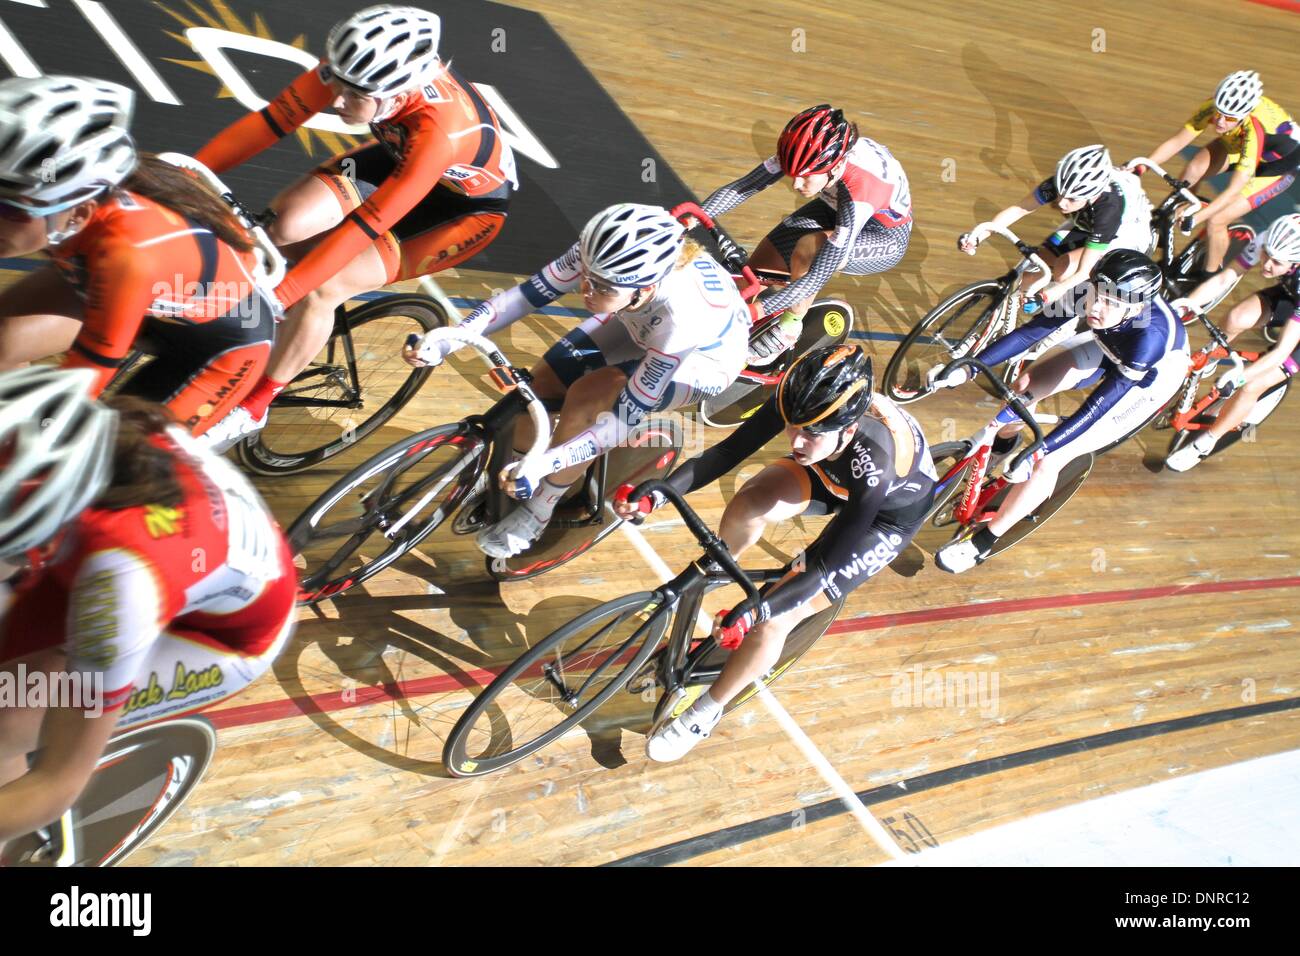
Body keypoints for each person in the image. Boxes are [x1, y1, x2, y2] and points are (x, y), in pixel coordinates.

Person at [0, 367, 297, 853]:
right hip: (175, 563)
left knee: (5, 717)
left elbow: (57, 785)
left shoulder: (121, 579)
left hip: (219, 638)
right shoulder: (102, 429)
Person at [197, 4, 517, 447]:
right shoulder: (355, 70)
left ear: (397, 92)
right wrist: (187, 174)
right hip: (397, 161)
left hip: (459, 212)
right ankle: (268, 332)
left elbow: (369, 224)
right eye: (338, 83)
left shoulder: (444, 132)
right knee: (283, 227)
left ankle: (253, 407)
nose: (338, 99)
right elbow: (271, 123)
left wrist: (283, 295)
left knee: (320, 289)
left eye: (355, 93)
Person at [612, 344, 937, 761]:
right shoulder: (805, 407)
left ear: (849, 429)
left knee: (776, 617)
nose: (795, 439)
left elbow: (824, 565)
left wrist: (755, 611)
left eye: (810, 432)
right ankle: (716, 569)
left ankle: (706, 711)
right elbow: (727, 452)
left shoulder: (875, 463)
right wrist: (657, 495)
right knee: (751, 502)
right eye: (792, 426)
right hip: (829, 470)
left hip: (881, 516)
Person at [405, 202, 751, 558]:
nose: (585, 288)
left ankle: (541, 507)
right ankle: (509, 472)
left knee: (593, 396)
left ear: (644, 288)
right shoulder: (606, 254)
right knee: (539, 385)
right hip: (638, 318)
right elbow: (527, 296)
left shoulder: (681, 321)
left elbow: (617, 424)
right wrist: (452, 337)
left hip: (703, 359)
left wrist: (546, 464)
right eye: (586, 274)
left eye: (601, 287)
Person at [0, 75, 278, 437]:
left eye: (8, 209)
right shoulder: (62, 207)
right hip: (136, 291)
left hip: (219, 349)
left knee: (111, 462)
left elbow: (83, 379)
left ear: (78, 213)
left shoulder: (127, 254)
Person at [932, 249, 1190, 573]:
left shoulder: (1149, 338)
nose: (1096, 306)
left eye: (1110, 302)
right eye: (1097, 293)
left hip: (1145, 383)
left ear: (1136, 307)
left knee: (1050, 459)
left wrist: (1043, 446)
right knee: (1023, 387)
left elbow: (1098, 405)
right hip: (1106, 344)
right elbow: (1032, 332)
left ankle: (983, 542)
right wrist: (968, 368)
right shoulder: (1094, 295)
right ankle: (1003, 448)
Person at [696, 104, 912, 366]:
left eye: (806, 177)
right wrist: (686, 220)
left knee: (809, 250)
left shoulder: (862, 190)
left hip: (882, 235)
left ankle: (789, 328)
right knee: (754, 273)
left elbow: (816, 276)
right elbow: (744, 187)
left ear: (834, 166)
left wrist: (756, 311)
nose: (796, 184)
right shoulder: (808, 154)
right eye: (793, 174)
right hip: (835, 204)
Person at [1126, 70, 1299, 273]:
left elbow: (1233, 190)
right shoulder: (1216, 108)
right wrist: (1141, 166)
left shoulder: (1254, 131)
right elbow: (1177, 142)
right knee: (1194, 168)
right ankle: (1168, 227)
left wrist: (1198, 218)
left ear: (1244, 116)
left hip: (1277, 166)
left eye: (1228, 118)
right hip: (1239, 144)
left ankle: (1208, 274)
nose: (1220, 121)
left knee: (1217, 219)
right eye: (1218, 112)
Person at [1166, 214, 1300, 471]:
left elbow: (1283, 351)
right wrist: (1184, 306)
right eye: (1266, 255)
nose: (1267, 265)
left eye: (1276, 262)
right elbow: (1224, 278)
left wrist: (1238, 378)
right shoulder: (1269, 239)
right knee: (1237, 316)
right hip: (1292, 291)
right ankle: (1211, 357)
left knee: (1253, 384)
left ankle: (1205, 442)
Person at [959, 145, 1153, 312]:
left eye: (1071, 199)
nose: (1062, 202)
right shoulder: (1065, 184)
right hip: (1086, 221)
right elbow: (1019, 210)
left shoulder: (1108, 212)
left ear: (1091, 195)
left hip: (1125, 233)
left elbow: (1083, 271)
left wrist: (1046, 297)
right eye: (1060, 194)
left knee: (1064, 269)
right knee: (1028, 273)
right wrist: (978, 236)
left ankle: (1065, 318)